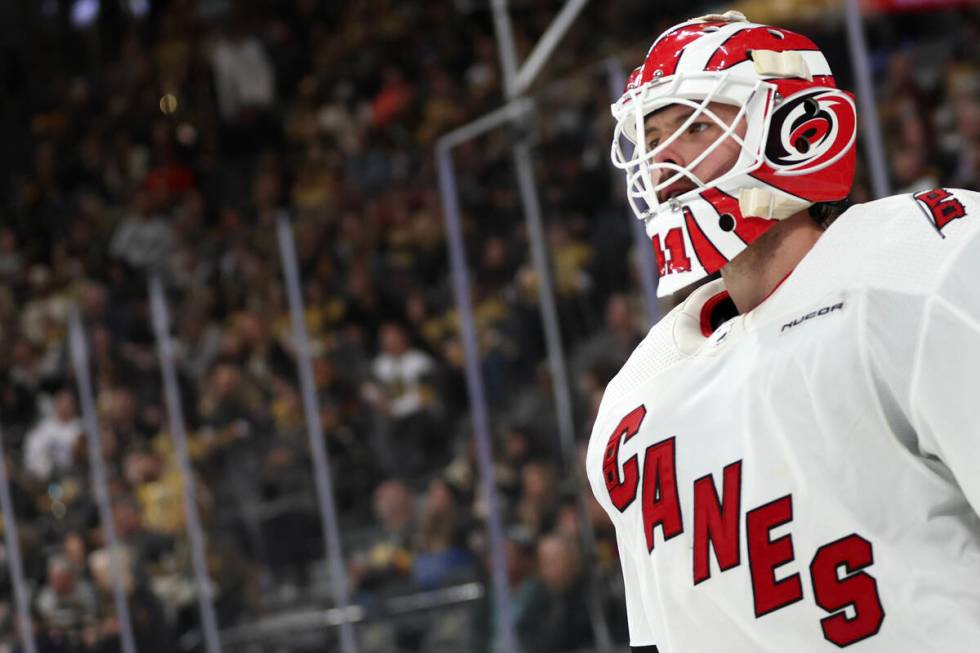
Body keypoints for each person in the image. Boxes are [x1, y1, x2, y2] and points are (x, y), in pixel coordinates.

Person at [586, 11, 980, 652]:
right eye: (652, 137)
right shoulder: (635, 404)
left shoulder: (922, 269)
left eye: (697, 124)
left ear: (801, 130)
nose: (663, 160)